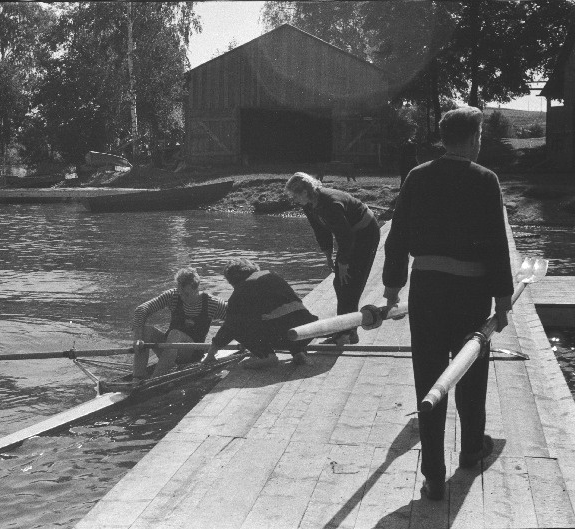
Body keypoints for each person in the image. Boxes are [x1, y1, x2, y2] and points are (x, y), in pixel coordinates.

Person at [382, 107, 514, 501]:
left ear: (443, 138)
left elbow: (398, 236)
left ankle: (434, 476)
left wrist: (392, 288)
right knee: (469, 375)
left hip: (427, 290)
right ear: (474, 138)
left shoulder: (418, 176)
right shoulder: (485, 179)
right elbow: (496, 243)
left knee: (430, 377)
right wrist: (503, 300)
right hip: (470, 292)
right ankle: (472, 451)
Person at [285, 172, 381, 345]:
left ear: (305, 192)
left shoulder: (330, 203)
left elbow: (346, 237)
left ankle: (346, 333)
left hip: (365, 233)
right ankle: (346, 330)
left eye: (295, 195)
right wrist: (328, 255)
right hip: (350, 235)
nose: (294, 199)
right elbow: (321, 230)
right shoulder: (309, 205)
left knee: (349, 282)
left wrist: (343, 263)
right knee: (340, 283)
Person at [202, 258, 316, 368]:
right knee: (282, 315)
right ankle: (298, 353)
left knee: (237, 326)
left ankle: (266, 356)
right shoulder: (272, 275)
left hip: (285, 335)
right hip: (306, 331)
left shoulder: (240, 292)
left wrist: (212, 352)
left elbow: (229, 327)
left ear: (232, 281)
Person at [132, 267, 227, 381]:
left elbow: (236, 319)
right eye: (180, 293)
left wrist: (216, 345)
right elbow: (141, 310)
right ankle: (137, 378)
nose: (182, 297)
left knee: (175, 334)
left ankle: (154, 380)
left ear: (196, 288)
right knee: (147, 330)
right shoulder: (173, 296)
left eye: (186, 294)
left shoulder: (213, 303)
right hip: (170, 348)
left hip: (192, 353)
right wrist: (137, 339)